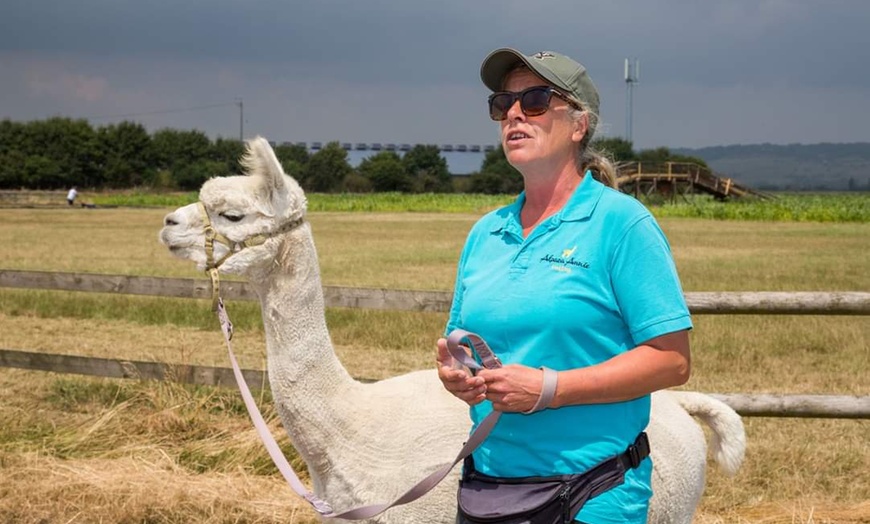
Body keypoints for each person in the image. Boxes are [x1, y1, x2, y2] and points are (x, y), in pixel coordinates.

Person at [436, 48, 693, 524]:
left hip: (592, 492)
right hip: (487, 490)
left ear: (579, 125)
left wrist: (551, 388)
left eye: (534, 100)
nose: (513, 113)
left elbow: (672, 360)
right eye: (502, 103)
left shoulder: (622, 224)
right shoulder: (485, 233)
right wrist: (457, 374)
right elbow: (464, 346)